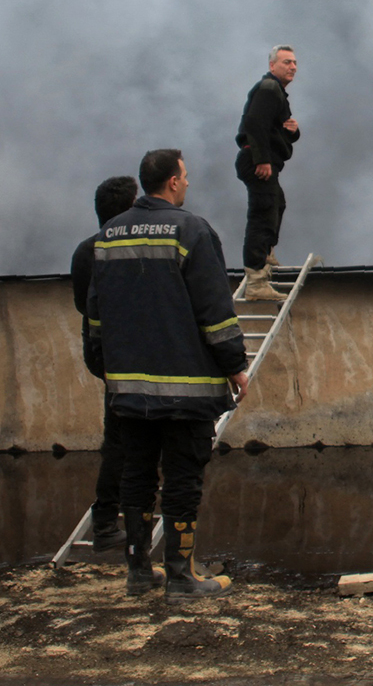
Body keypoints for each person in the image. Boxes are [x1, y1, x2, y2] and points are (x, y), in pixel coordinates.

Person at [88, 149, 249, 602]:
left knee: (136, 476)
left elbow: (96, 319)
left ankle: (139, 572)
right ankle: (181, 578)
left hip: (127, 389)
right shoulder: (191, 230)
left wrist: (109, 370)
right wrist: (235, 365)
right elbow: (215, 312)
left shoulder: (108, 235)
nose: (188, 183)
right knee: (182, 480)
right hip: (185, 390)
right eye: (186, 176)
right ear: (173, 183)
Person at [70, 176, 138, 554]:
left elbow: (83, 306)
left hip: (102, 354)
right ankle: (108, 521)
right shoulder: (119, 251)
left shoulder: (84, 251)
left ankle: (111, 518)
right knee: (122, 441)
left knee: (119, 438)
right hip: (125, 354)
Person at [235, 44, 300, 301]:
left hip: (264, 159)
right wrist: (261, 159)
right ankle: (256, 281)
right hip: (257, 160)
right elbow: (253, 123)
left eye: (294, 62)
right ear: (272, 65)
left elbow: (277, 133)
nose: (293, 66)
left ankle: (265, 255)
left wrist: (293, 131)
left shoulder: (277, 93)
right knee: (263, 213)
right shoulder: (269, 88)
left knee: (277, 204)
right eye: (286, 62)